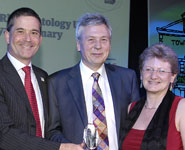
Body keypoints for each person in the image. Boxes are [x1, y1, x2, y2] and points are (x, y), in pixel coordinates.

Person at [46, 13, 140, 150]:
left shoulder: (127, 78)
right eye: (91, 40)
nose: (98, 46)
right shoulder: (57, 82)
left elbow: (136, 127)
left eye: (104, 40)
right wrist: (70, 147)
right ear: (78, 44)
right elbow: (52, 131)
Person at [0, 7, 82, 150]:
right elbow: (4, 135)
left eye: (34, 33)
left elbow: (50, 128)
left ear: (40, 39)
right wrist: (60, 148)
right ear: (7, 36)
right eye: (20, 31)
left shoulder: (43, 77)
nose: (28, 39)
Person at [121, 43, 185, 150]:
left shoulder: (181, 107)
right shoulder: (131, 108)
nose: (154, 76)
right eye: (148, 69)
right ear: (141, 74)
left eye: (162, 71)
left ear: (172, 77)